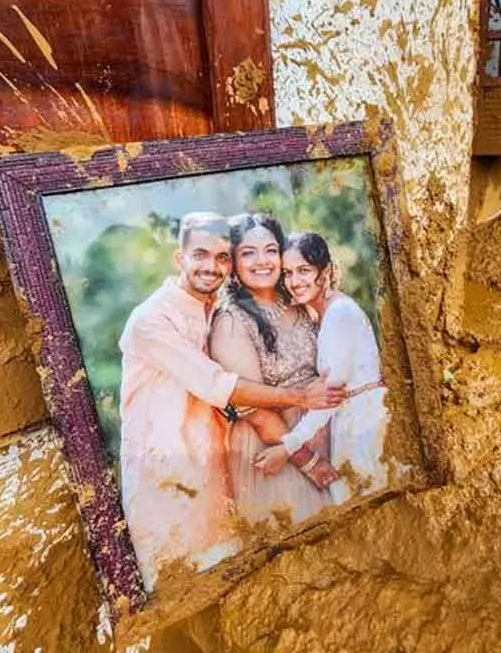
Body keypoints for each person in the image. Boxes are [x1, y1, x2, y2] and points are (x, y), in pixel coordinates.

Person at [117, 212, 345, 591]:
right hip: (169, 474)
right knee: (179, 584)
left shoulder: (209, 307)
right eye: (201, 255)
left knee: (245, 575)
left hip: (216, 468)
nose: (212, 267)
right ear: (179, 258)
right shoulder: (153, 320)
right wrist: (303, 415)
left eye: (222, 257)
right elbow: (223, 388)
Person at [209, 214, 336, 525]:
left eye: (270, 250)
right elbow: (252, 409)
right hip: (275, 446)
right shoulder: (232, 321)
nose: (262, 261)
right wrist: (309, 462)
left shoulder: (297, 298)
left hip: (319, 431)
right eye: (248, 253)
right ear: (233, 263)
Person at [256, 231, 390, 503]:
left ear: (325, 270)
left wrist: (286, 448)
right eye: (288, 273)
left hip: (364, 426)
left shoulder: (340, 314)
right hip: (352, 421)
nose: (294, 281)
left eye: (303, 270)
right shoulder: (324, 313)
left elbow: (330, 398)